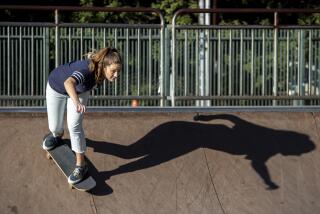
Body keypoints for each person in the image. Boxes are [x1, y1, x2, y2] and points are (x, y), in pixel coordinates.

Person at [42, 47, 122, 184]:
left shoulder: (100, 69)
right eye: (113, 71)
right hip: (56, 87)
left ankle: (81, 166)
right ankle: (57, 134)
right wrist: (76, 103)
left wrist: (76, 103)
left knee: (74, 125)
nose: (116, 75)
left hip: (80, 90)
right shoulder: (87, 70)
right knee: (54, 127)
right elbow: (68, 83)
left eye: (118, 72)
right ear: (104, 66)